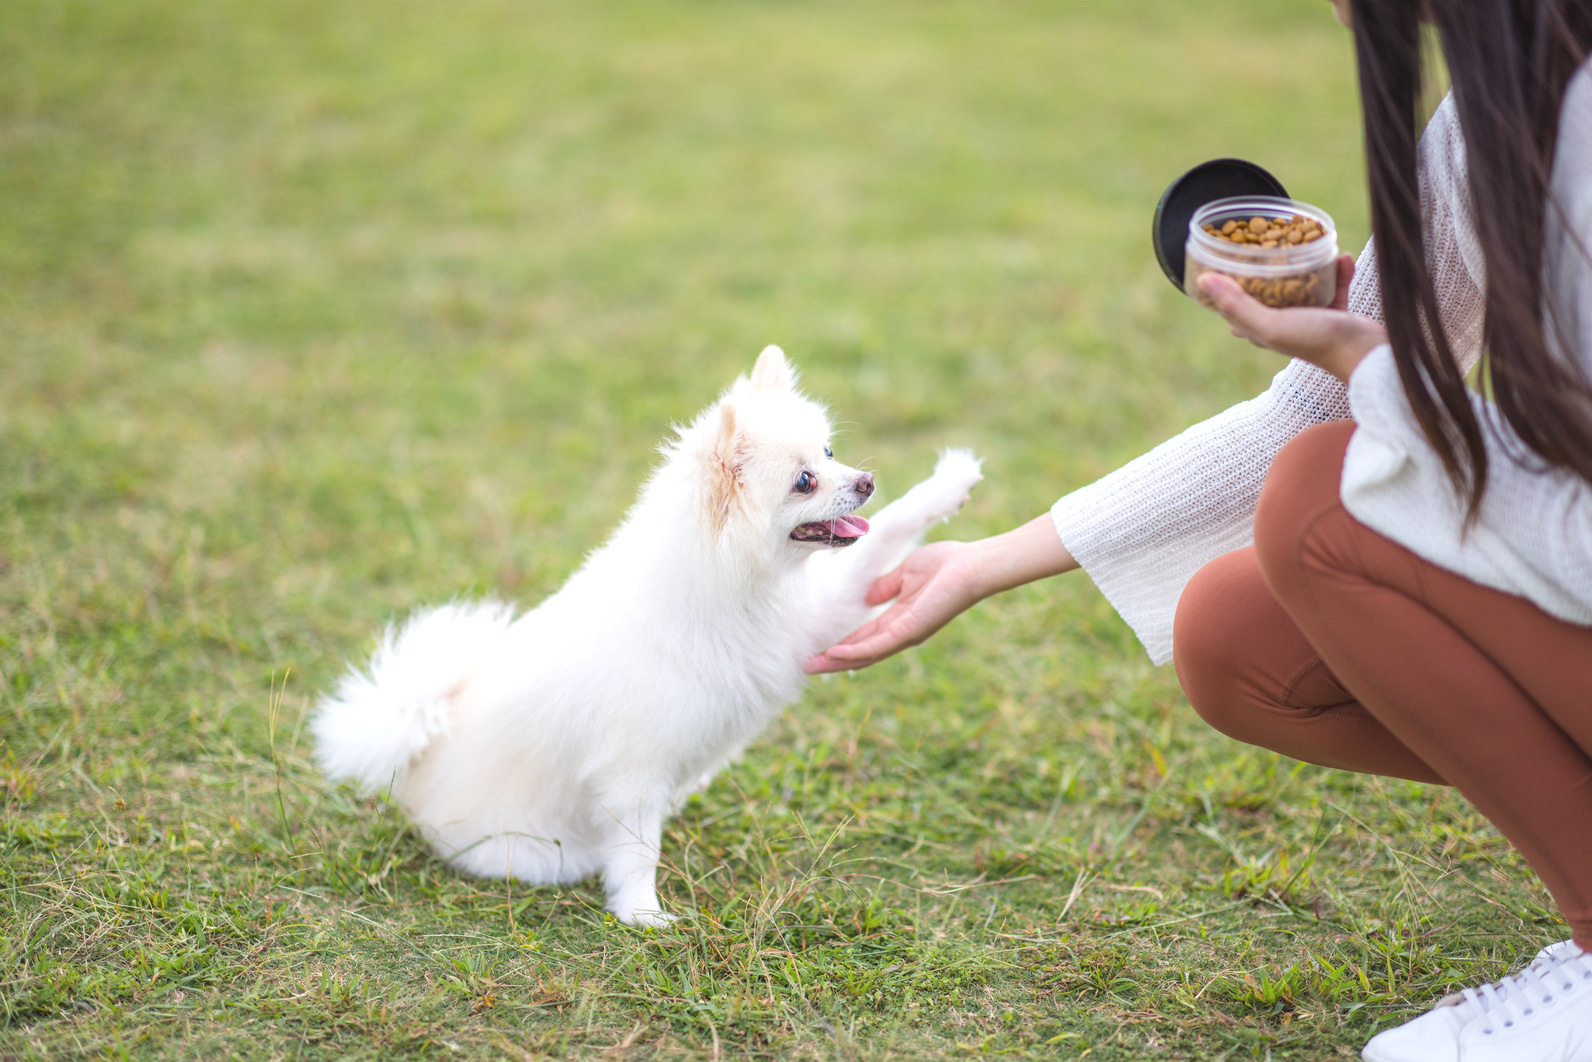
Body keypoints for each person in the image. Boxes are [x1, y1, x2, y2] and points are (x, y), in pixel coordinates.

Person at [807, 1, 1592, 1059]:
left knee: (1322, 506)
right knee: (1236, 638)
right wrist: (981, 566)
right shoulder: (1496, 111)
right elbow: (1307, 414)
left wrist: (1369, 368)